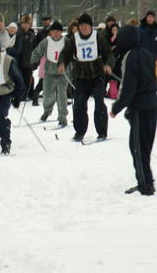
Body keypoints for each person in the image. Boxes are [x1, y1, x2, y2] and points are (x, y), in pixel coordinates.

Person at [110, 25, 157, 196]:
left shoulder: (130, 57)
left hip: (140, 108)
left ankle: (145, 185)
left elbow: (128, 88)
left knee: (137, 148)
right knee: (144, 147)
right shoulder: (147, 53)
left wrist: (117, 107)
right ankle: (147, 180)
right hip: (152, 105)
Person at [58, 13, 115, 141]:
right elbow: (65, 53)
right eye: (81, 25)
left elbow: (108, 53)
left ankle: (102, 132)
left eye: (86, 25)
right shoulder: (75, 38)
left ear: (90, 26)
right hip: (82, 78)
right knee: (78, 104)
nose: (84, 27)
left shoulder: (97, 37)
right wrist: (62, 62)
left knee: (99, 104)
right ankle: (80, 132)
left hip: (97, 76)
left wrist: (108, 65)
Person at [30, 21, 69, 126]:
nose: (55, 34)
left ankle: (62, 117)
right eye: (54, 31)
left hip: (62, 72)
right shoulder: (46, 41)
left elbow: (72, 54)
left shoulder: (66, 41)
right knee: (47, 94)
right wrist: (34, 61)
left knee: (61, 95)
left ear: (61, 32)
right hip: (49, 71)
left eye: (58, 32)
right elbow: (36, 52)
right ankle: (47, 111)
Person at [17, 14, 36, 100]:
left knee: (29, 78)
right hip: (19, 61)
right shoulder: (18, 34)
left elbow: (35, 49)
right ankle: (21, 95)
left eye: (27, 23)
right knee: (20, 79)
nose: (25, 25)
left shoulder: (32, 35)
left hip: (29, 61)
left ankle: (30, 94)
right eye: (24, 23)